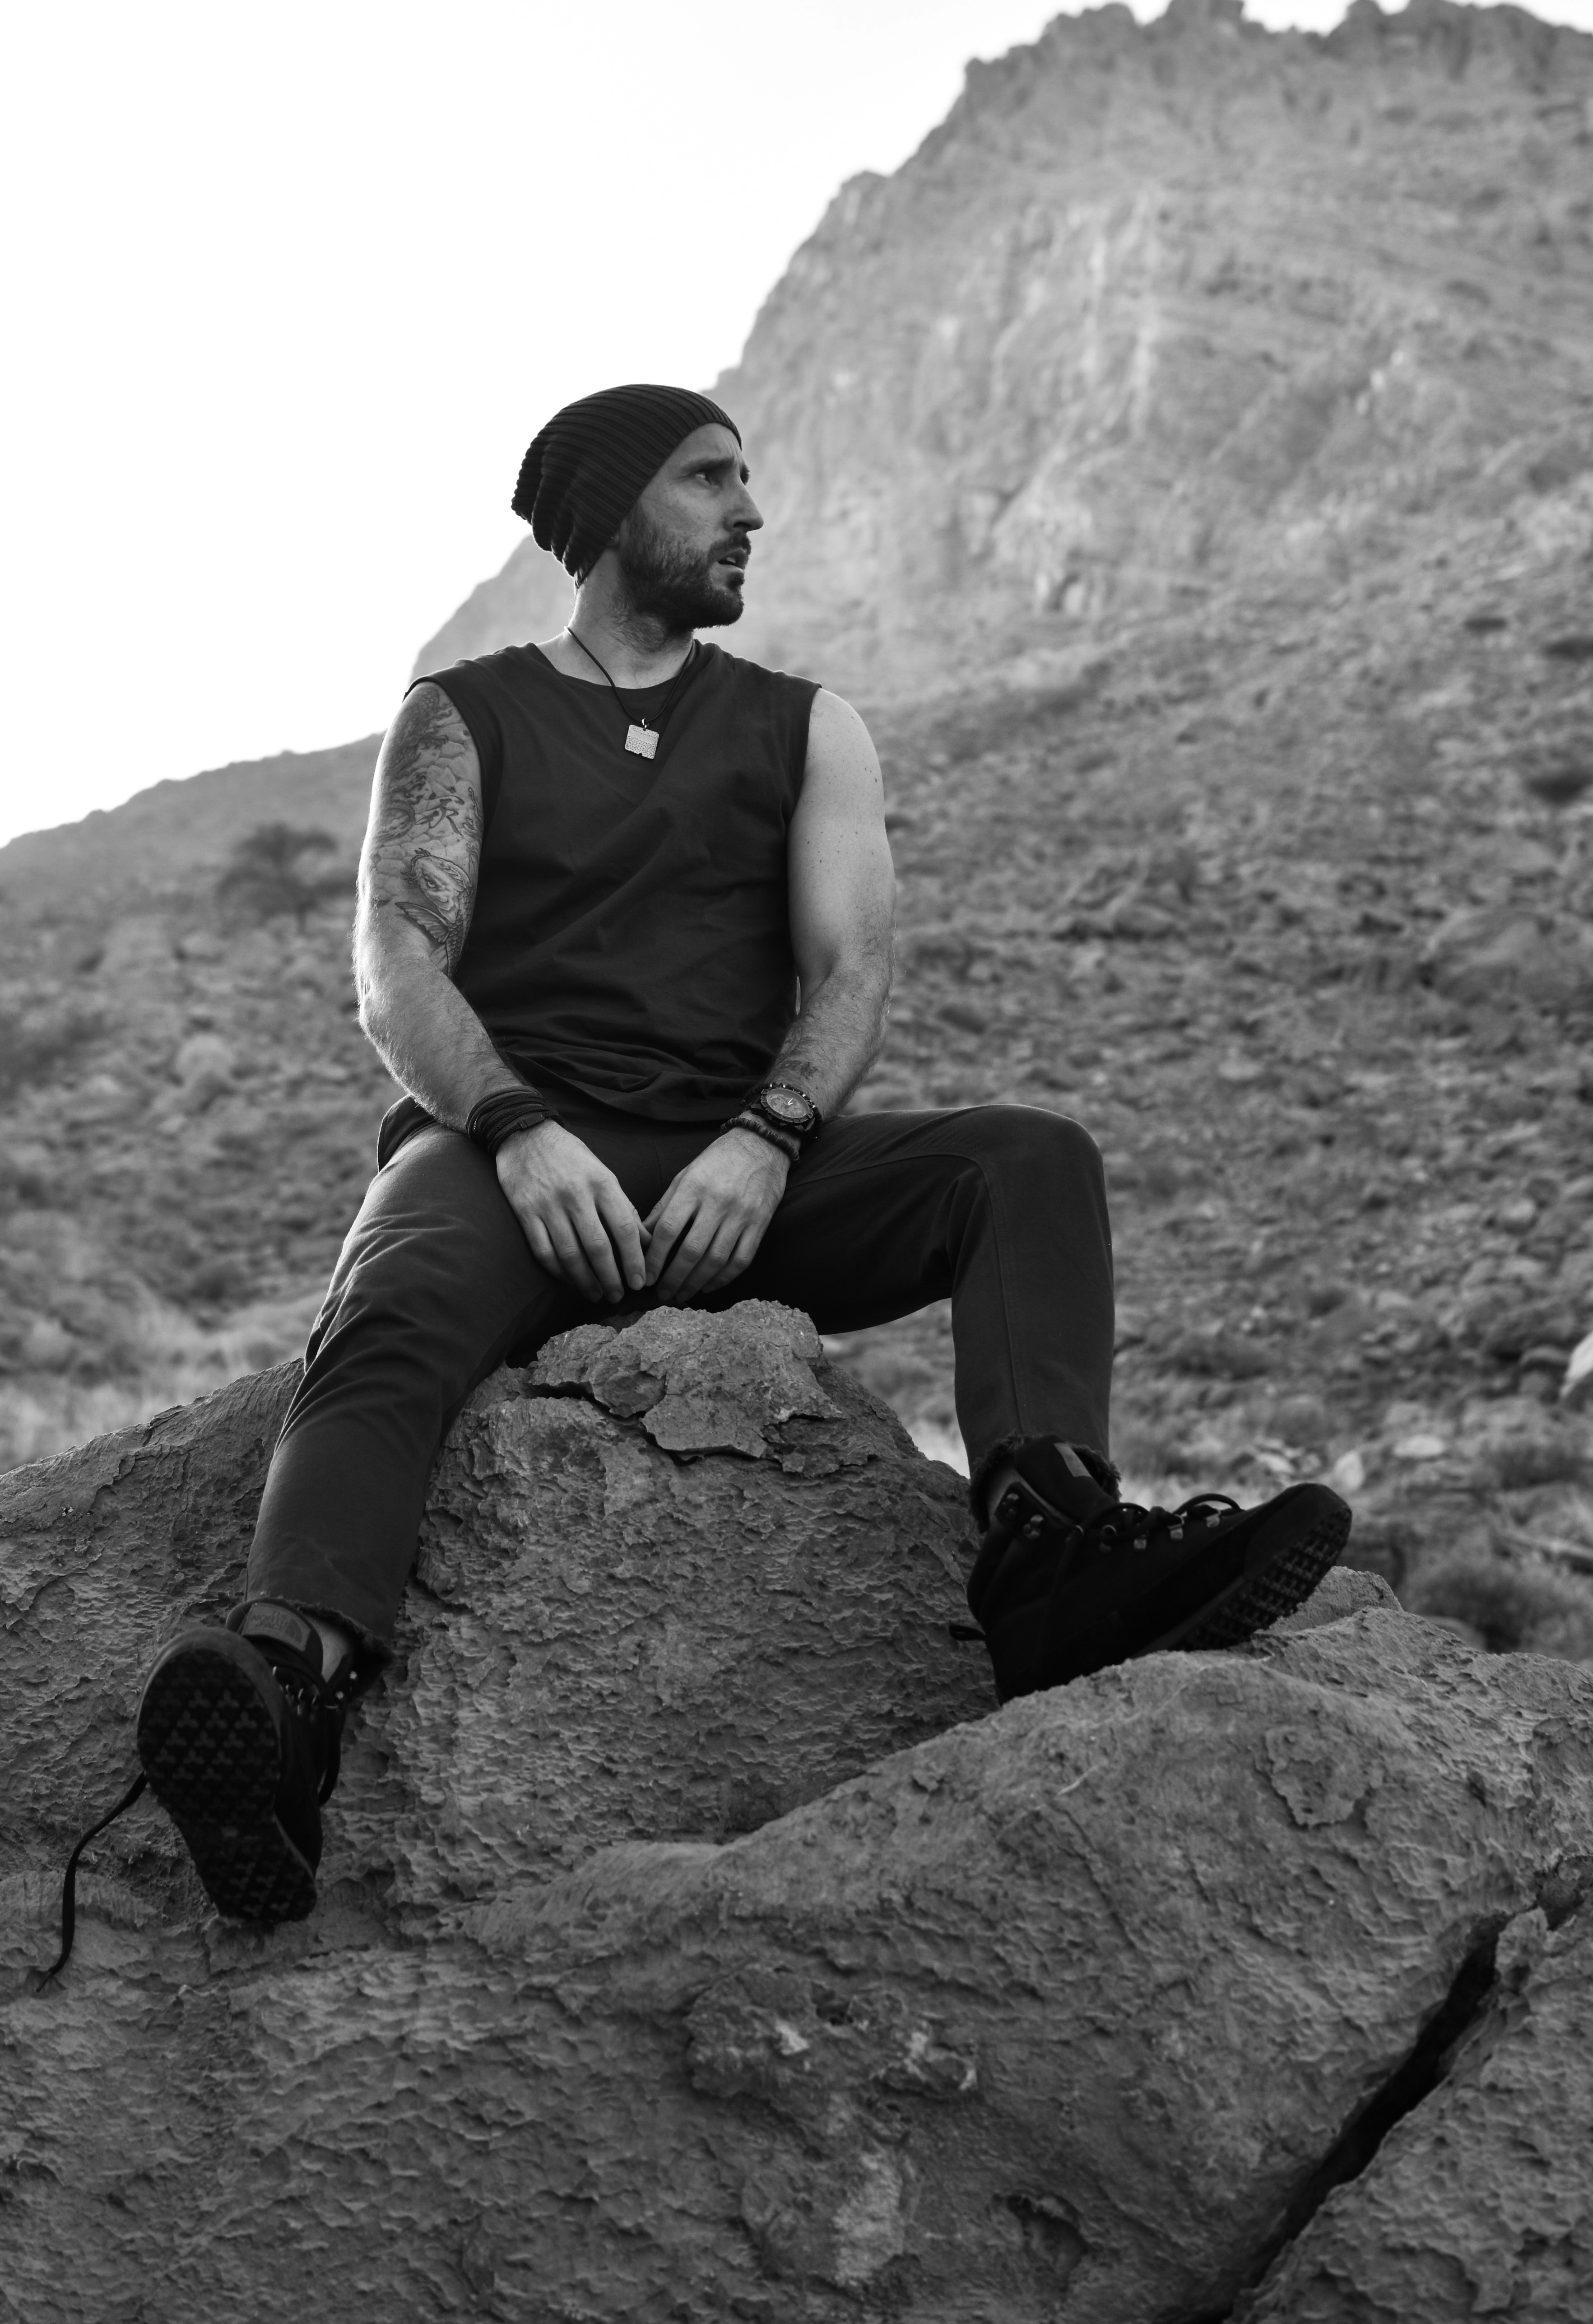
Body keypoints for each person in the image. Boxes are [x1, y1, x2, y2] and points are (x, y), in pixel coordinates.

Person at [129, 384, 1351, 1928]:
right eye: (710, 480)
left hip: (738, 1176)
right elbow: (397, 970)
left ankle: (1052, 1554)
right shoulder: (466, 714)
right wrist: (515, 1131)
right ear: (612, 509)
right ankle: (291, 1689)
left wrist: (769, 1140)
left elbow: (855, 964)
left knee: (1026, 1159)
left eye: (747, 480)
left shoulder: (804, 725)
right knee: (392, 1308)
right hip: (511, 1162)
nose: (751, 510)